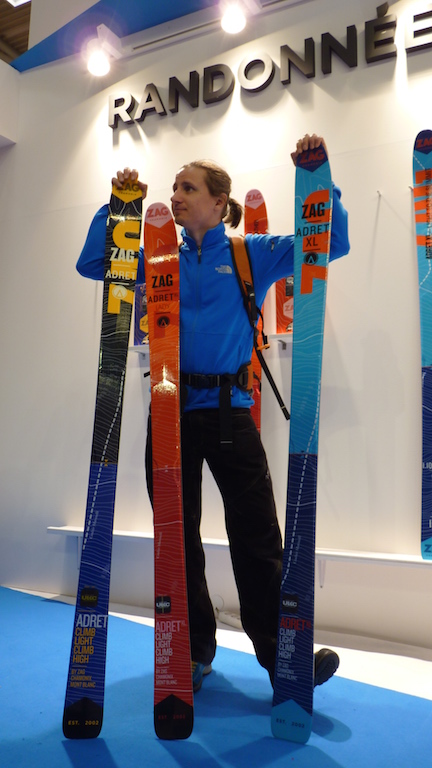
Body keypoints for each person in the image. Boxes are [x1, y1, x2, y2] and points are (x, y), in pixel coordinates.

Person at [76, 134, 350, 694]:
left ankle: (281, 657)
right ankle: (193, 652)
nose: (175, 195)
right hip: (170, 414)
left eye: (188, 187)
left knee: (257, 539)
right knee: (177, 541)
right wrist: (117, 209)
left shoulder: (251, 253)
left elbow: (331, 242)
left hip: (232, 414)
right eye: (174, 187)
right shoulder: (159, 257)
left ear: (219, 202)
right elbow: (94, 264)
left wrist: (321, 184)